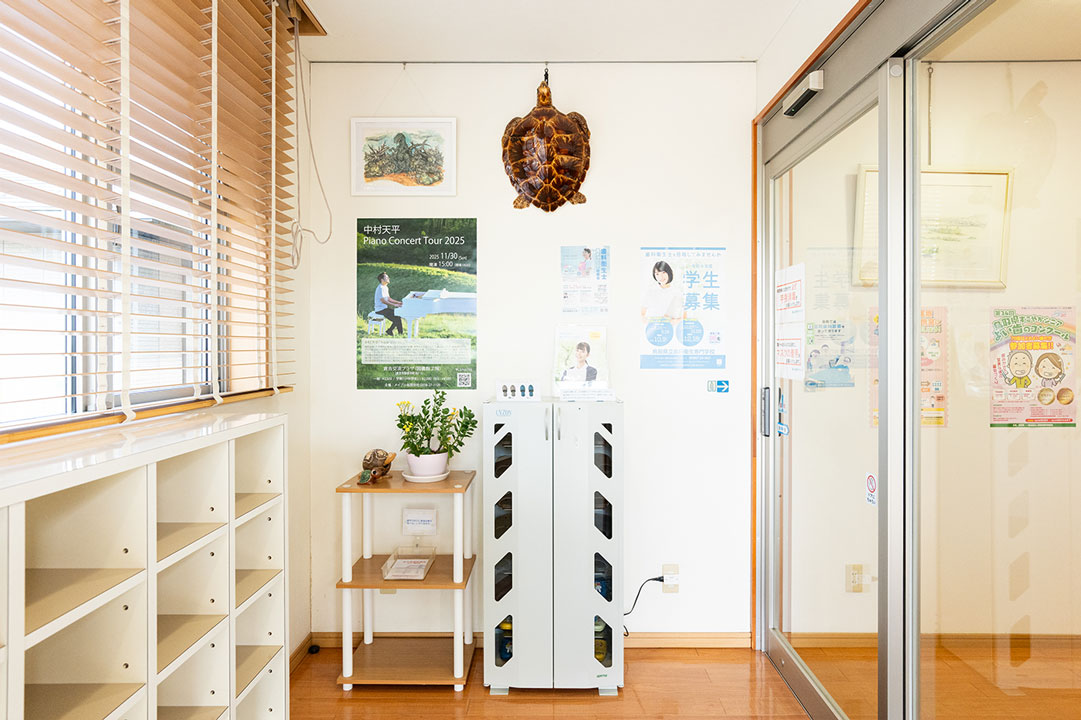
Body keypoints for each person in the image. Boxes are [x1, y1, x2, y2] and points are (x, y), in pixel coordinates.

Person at [373, 271, 405, 335]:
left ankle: (392, 331)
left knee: (398, 316)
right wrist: (394, 305)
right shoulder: (380, 288)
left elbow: (388, 298)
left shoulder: (385, 287)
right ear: (382, 280)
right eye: (387, 277)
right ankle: (399, 333)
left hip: (384, 309)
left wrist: (398, 302)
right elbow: (383, 301)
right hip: (380, 310)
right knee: (397, 318)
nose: (388, 278)